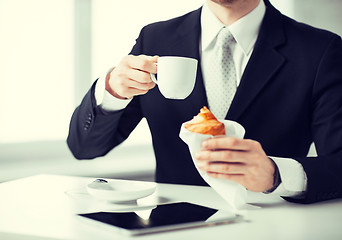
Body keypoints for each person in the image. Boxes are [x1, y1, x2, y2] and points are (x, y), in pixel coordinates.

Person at [67, 0, 342, 204]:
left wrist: (276, 174)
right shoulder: (154, 39)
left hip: (275, 226)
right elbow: (84, 148)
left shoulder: (320, 50)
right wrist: (112, 92)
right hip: (172, 227)